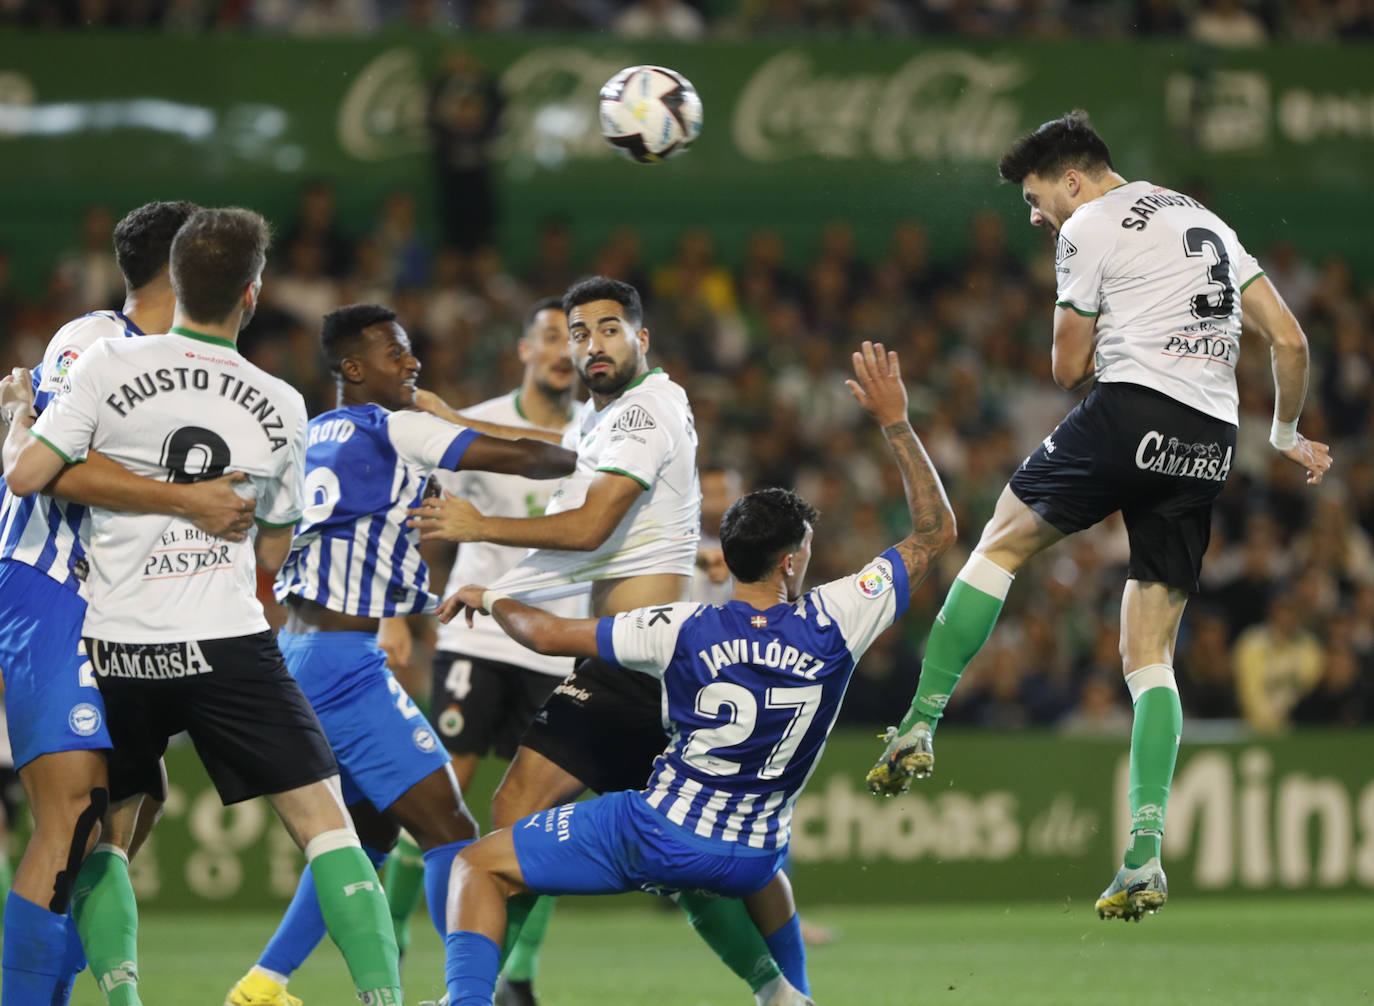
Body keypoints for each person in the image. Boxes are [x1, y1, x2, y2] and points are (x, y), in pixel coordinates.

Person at [867, 111, 1333, 922]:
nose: (1038, 216)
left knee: (1001, 543)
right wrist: (1286, 435)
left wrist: (1117, 337)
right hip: (1210, 439)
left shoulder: (1089, 224)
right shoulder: (1205, 218)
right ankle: (1145, 854)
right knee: (1150, 654)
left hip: (1130, 409)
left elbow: (1067, 366)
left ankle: (919, 721)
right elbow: (1289, 342)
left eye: (1037, 198)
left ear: (1073, 181)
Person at [436, 340, 955, 1006]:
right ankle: (786, 994)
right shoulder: (840, 618)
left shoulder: (678, 627)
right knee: (715, 875)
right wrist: (896, 421)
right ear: (792, 562)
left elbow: (544, 633)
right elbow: (934, 532)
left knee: (479, 865)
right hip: (759, 856)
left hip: (661, 834)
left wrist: (490, 596)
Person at [4, 207, 405, 1006]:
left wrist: (21, 412)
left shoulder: (110, 367)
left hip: (115, 632)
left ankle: (112, 995)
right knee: (319, 819)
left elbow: (33, 464)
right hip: (153, 618)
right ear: (248, 293)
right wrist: (199, 505)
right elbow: (270, 550)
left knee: (110, 826)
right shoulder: (265, 394)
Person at [408, 277, 794, 1006]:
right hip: (641, 661)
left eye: (608, 329)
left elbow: (588, 529)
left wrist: (476, 529)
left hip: (635, 665)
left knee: (513, 824)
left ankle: (474, 995)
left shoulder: (642, 414)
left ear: (641, 338)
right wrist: (495, 586)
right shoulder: (620, 414)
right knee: (698, 859)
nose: (592, 345)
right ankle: (783, 992)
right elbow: (559, 466)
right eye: (579, 333)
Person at [224, 301, 577, 1006]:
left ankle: (264, 984)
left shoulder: (310, 433)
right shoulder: (401, 427)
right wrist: (463, 421)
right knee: (452, 831)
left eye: (411, 349)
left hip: (298, 649)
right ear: (353, 369)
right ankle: (468, 998)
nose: (412, 362)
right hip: (342, 664)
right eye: (395, 353)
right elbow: (542, 458)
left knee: (369, 833)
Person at [0, 200, 264, 1006]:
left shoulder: (179, 362)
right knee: (75, 814)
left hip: (118, 606)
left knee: (127, 811)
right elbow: (41, 470)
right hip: (51, 583)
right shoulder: (96, 343)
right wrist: (190, 501)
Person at [375, 296, 583, 987]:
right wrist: (396, 611)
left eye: (574, 340)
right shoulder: (482, 425)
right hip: (478, 633)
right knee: (444, 787)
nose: (563, 350)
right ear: (525, 350)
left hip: (553, 643)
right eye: (551, 336)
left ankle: (515, 972)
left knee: (545, 815)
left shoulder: (600, 434)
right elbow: (411, 513)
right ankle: (396, 936)